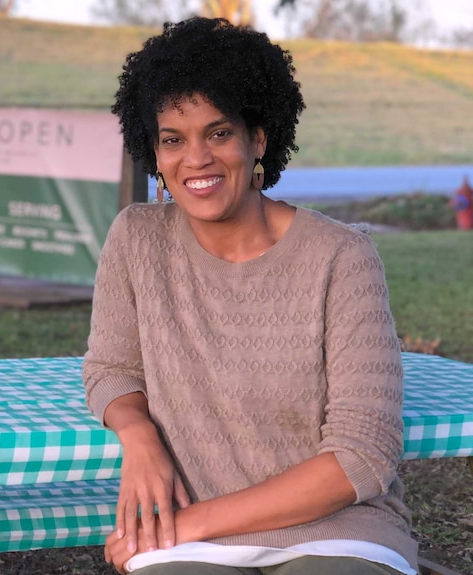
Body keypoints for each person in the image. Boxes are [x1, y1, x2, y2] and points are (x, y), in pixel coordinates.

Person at [82, 17, 418, 575]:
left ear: (257, 137)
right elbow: (111, 368)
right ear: (155, 153)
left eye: (218, 133)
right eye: (173, 139)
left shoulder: (341, 258)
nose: (196, 158)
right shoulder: (136, 239)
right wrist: (138, 436)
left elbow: (362, 455)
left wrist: (189, 523)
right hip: (188, 533)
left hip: (336, 531)